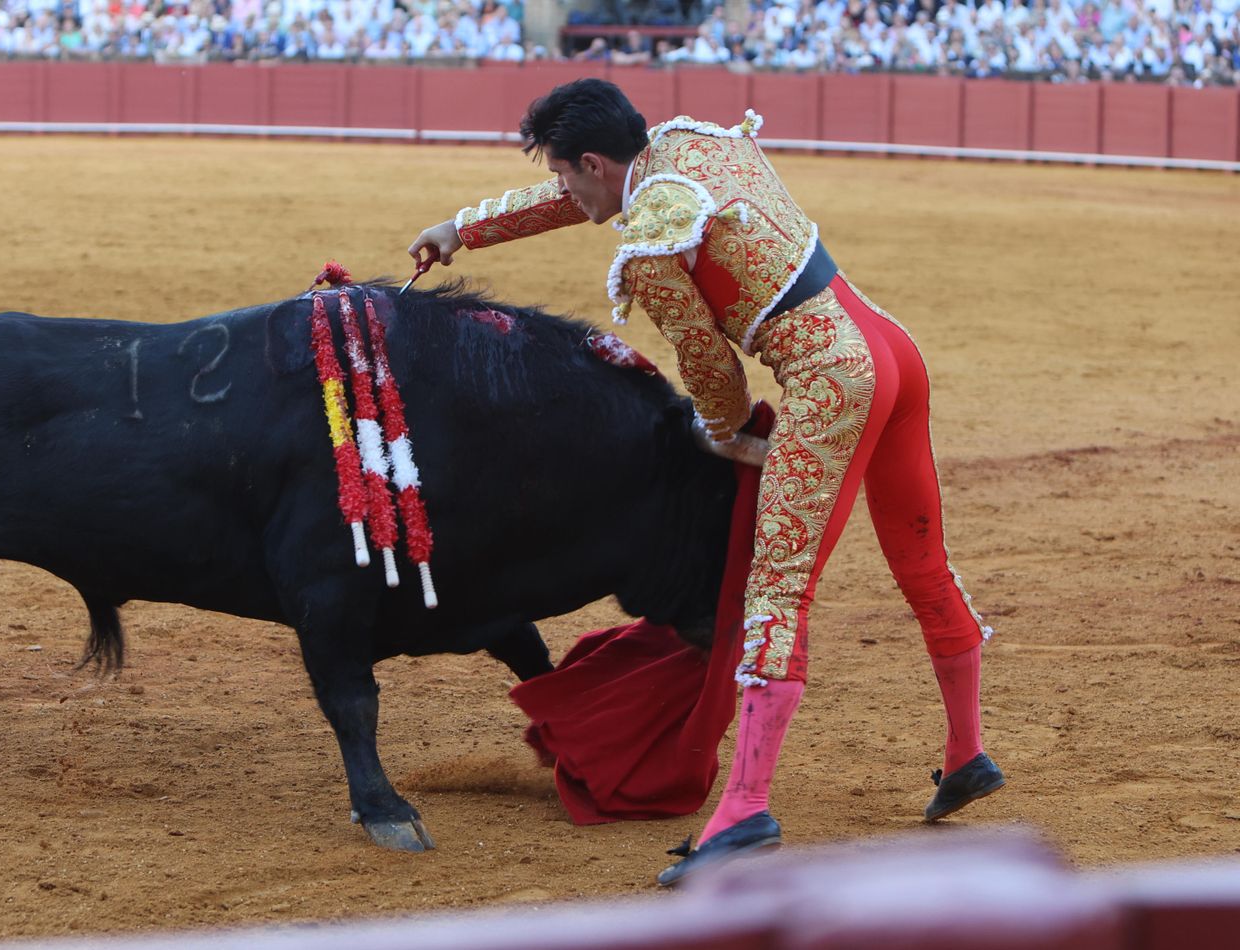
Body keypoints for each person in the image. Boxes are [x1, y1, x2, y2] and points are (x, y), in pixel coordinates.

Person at [406, 78, 1004, 887]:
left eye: (566, 173)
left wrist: (724, 437)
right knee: (921, 562)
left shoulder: (651, 242)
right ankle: (967, 752)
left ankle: (746, 807)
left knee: (778, 590)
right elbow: (587, 200)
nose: (566, 191)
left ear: (592, 159)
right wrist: (462, 231)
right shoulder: (689, 144)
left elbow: (709, 363)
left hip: (832, 378)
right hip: (890, 348)